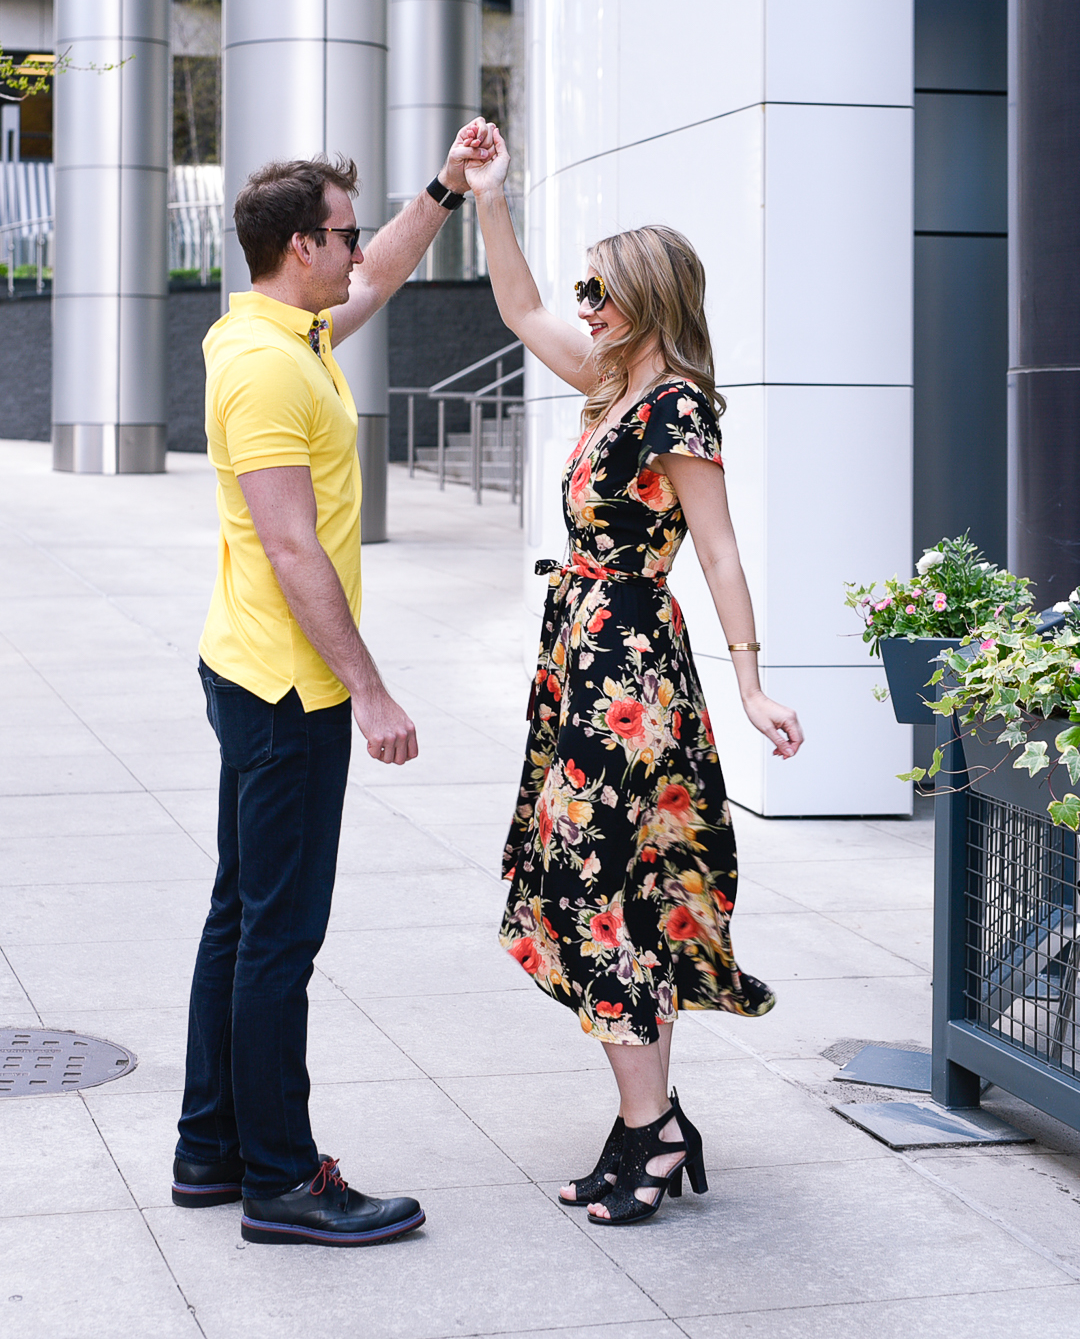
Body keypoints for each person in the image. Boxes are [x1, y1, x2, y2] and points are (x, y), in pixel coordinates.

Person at [464, 130, 804, 1226]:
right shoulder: (607, 385)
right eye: (587, 288)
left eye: (602, 289)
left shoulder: (677, 408)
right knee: (588, 890)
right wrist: (490, 197)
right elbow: (518, 310)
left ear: (650, 296)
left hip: (632, 678)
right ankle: (645, 1126)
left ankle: (651, 1132)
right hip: (581, 665)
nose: (587, 304)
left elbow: (719, 551)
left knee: (612, 895)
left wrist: (752, 685)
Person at [172, 122, 494, 1248]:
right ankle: (282, 1178)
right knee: (278, 939)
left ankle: (210, 1147)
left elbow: (391, 271)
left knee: (239, 919)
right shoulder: (268, 367)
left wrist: (446, 191)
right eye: (345, 237)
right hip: (288, 691)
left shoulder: (279, 330)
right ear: (300, 245)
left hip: (253, 671)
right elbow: (292, 549)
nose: (360, 253)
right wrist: (373, 691)